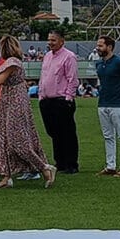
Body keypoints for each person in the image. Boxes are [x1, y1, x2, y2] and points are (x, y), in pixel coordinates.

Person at [0, 35, 56, 189]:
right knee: (2, 139)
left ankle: (44, 167)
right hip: (8, 102)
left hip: (15, 103)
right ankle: (6, 177)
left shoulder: (13, 62)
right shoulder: (9, 62)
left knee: (17, 140)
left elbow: (0, 80)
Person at [93, 35, 120, 177]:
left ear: (109, 47)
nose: (97, 48)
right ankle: (110, 165)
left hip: (118, 105)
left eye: (100, 46)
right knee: (108, 136)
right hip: (103, 104)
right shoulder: (99, 65)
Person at [38, 28, 80, 173]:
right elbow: (43, 76)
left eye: (53, 40)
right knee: (53, 133)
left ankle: (71, 164)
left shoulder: (69, 57)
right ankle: (60, 162)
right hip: (47, 100)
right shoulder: (47, 56)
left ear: (62, 41)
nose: (50, 43)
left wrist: (68, 99)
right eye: (49, 40)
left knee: (67, 133)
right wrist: (41, 95)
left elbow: (72, 79)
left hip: (62, 100)